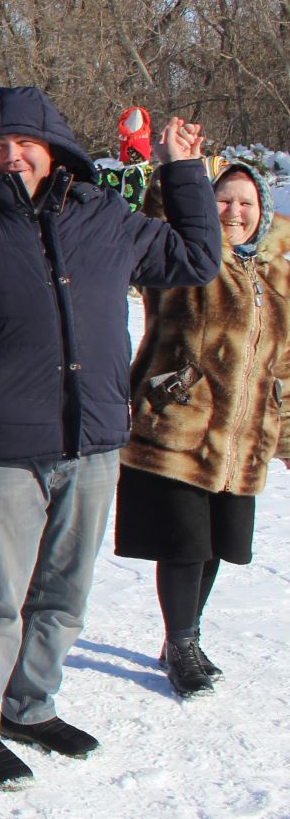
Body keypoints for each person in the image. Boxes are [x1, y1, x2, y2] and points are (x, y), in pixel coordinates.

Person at [0, 91, 219, 790]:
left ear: (54, 148)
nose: (11, 155)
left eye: (24, 142)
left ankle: (30, 705)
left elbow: (194, 258)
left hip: (95, 440)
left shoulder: (104, 219)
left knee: (65, 595)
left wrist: (184, 172)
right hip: (6, 445)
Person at [114, 151, 289, 698]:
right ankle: (182, 643)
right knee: (184, 543)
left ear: (263, 209)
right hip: (182, 421)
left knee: (217, 543)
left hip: (246, 432)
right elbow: (159, 215)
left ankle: (183, 636)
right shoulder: (182, 253)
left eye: (247, 202)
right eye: (222, 200)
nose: (235, 212)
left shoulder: (280, 265)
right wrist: (177, 168)